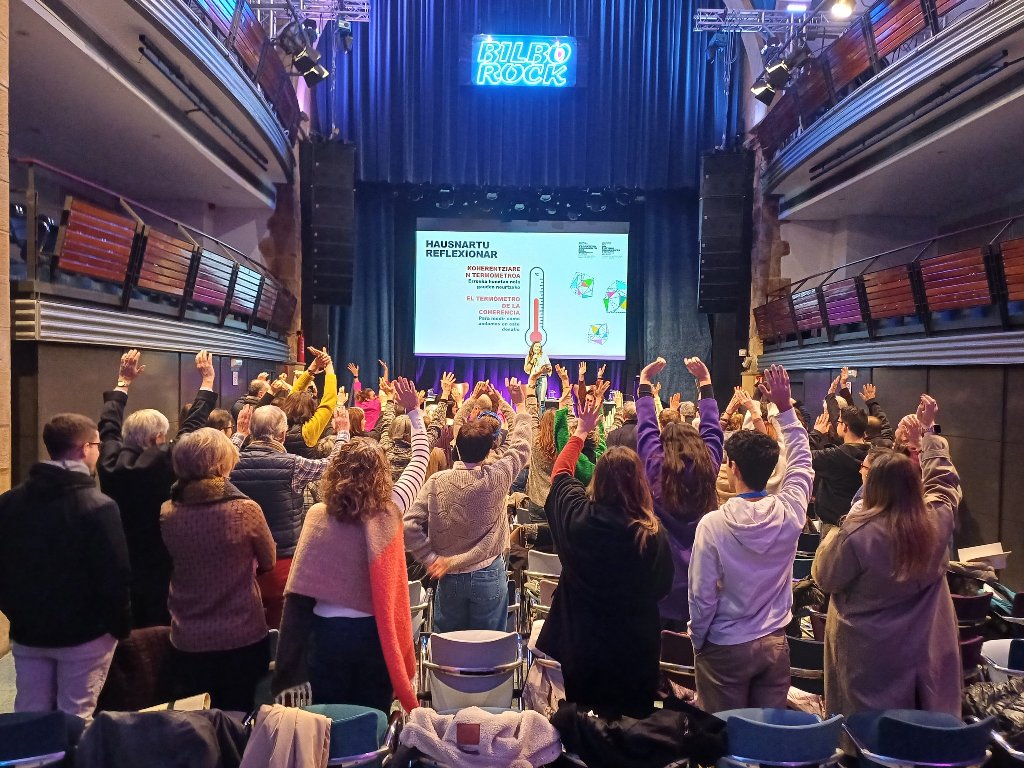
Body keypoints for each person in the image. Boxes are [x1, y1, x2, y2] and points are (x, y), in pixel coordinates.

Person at [274, 379, 428, 712]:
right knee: (372, 717)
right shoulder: (392, 509)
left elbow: (298, 594)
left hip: (326, 635)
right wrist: (414, 412)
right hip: (375, 635)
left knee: (328, 719)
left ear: (335, 472)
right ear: (381, 475)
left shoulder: (317, 515)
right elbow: (420, 460)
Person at [812, 395, 961, 717]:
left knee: (869, 735)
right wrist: (929, 433)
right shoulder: (936, 521)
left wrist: (842, 526)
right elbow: (944, 482)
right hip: (925, 651)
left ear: (872, 486)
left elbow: (824, 576)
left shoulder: (856, 533)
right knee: (917, 732)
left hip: (870, 660)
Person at [538, 378, 672, 718]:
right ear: (640, 483)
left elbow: (560, 473)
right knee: (633, 725)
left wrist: (581, 430)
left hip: (582, 645)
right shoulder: (651, 533)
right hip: (636, 648)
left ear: (597, 479)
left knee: (586, 726)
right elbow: (662, 587)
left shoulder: (578, 518)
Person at [688, 364, 813, 714]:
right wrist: (785, 408)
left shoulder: (713, 525)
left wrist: (699, 640)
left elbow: (701, 596)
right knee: (764, 734)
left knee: (722, 732)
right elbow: (803, 462)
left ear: (733, 467)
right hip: (774, 642)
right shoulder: (790, 512)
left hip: (724, 644)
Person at [0, 413, 131, 720]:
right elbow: (115, 576)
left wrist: (15, 612)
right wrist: (118, 628)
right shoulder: (99, 507)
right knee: (75, 716)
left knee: (29, 715)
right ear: (85, 448)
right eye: (97, 446)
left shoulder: (8, 502)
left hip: (28, 630)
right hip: (85, 634)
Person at [98, 349, 218, 628]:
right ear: (158, 438)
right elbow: (192, 426)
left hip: (123, 555)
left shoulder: (109, 463)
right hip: (164, 557)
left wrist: (123, 382)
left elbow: (109, 426)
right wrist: (207, 381)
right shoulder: (168, 460)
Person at [161, 428, 276, 713]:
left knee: (195, 718)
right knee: (238, 715)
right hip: (241, 633)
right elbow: (269, 560)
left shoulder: (167, 511)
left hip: (187, 634)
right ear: (221, 463)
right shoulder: (245, 509)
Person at [404, 378, 532, 633]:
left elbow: (408, 525)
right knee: (487, 643)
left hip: (448, 575)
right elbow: (522, 443)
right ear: (488, 450)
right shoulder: (498, 476)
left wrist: (429, 558)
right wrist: (518, 405)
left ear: (457, 447)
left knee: (450, 645)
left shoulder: (437, 481)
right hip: (488, 573)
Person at [229, 400, 350, 629]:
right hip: (283, 563)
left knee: (244, 631)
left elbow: (218, 459)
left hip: (240, 564)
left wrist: (238, 435)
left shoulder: (231, 462)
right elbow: (333, 465)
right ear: (282, 435)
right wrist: (343, 434)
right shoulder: (293, 465)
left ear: (250, 432)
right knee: (282, 632)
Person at [636, 357, 722, 630]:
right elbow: (712, 430)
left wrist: (645, 384)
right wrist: (705, 383)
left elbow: (646, 428)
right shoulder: (709, 467)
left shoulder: (655, 469)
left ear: (663, 447)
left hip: (662, 584)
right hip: (703, 584)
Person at [811, 396, 870, 537]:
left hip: (833, 526)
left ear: (845, 427)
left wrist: (816, 433)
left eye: (838, 422)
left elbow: (804, 456)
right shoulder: (872, 454)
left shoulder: (836, 456)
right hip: (859, 523)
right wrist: (830, 397)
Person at [281, 347, 338, 457]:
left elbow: (293, 395)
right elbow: (329, 401)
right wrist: (328, 365)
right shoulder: (308, 431)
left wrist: (313, 367)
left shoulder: (279, 425)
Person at [524, 341, 551, 410]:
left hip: (542, 379)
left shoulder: (544, 356)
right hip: (532, 380)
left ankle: (542, 416)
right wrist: (532, 360)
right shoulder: (528, 357)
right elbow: (526, 370)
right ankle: (533, 416)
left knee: (541, 401)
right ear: (532, 347)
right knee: (532, 401)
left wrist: (546, 369)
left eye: (539, 347)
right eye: (536, 346)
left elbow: (549, 368)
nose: (538, 348)